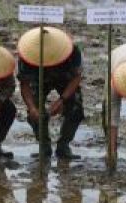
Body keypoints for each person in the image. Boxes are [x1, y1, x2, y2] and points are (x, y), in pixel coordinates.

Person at [17, 26, 85, 159]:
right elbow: (24, 84)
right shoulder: (27, 55)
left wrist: (62, 100)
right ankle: (44, 145)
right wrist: (31, 108)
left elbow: (77, 77)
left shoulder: (72, 51)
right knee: (34, 112)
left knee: (76, 109)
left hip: (65, 78)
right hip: (39, 78)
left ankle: (64, 145)